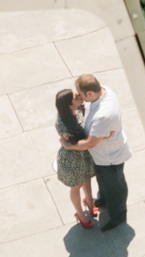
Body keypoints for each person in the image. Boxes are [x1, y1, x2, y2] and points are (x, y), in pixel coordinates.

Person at [59, 74, 132, 232]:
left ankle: (118, 217)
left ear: (90, 93)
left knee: (115, 187)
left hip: (109, 157)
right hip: (100, 155)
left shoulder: (103, 116)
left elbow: (90, 143)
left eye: (81, 94)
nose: (79, 97)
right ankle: (103, 201)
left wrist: (69, 146)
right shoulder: (103, 90)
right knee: (104, 182)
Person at [55, 88, 97, 229]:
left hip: (83, 154)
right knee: (76, 186)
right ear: (69, 105)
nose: (79, 96)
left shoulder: (77, 110)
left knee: (87, 178)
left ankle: (89, 202)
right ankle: (80, 214)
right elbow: (70, 142)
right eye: (75, 97)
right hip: (73, 158)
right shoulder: (63, 123)